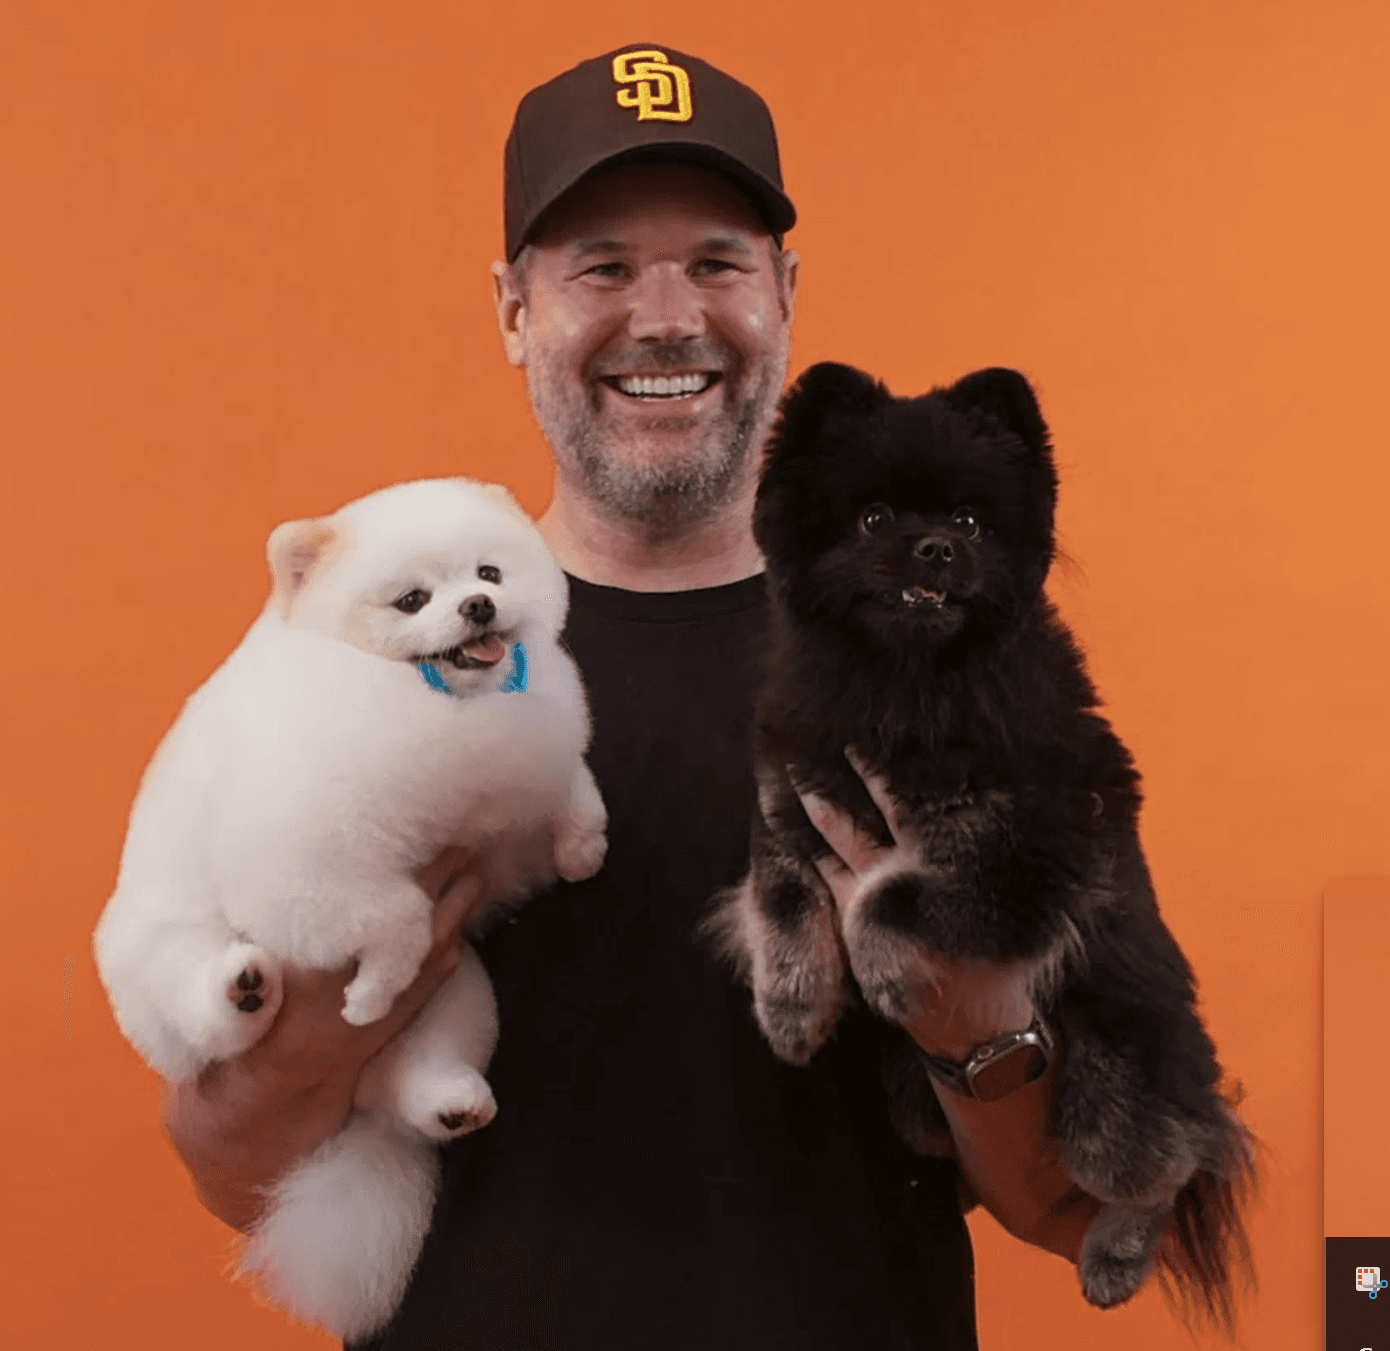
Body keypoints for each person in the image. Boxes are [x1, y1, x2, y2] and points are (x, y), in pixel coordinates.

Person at [164, 45, 1102, 1349]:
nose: (664, 316)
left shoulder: (953, 659)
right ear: (510, 308)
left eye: (716, 262)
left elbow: (1069, 1206)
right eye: (600, 266)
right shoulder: (348, 654)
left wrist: (967, 1019)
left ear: (784, 293)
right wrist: (368, 972)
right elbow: (229, 1173)